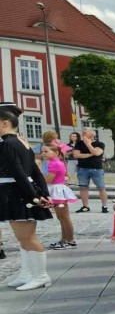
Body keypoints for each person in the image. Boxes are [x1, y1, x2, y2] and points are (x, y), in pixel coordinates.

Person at [0, 102, 53, 290]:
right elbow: (35, 172)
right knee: (23, 237)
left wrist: (35, 197)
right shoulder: (23, 142)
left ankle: (41, 275)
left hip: (17, 192)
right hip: (21, 191)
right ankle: (27, 273)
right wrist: (43, 193)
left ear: (5, 123)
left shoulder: (7, 143)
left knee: (27, 238)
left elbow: (19, 173)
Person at [41, 143, 77, 248]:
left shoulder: (54, 163)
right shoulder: (56, 162)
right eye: (42, 151)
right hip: (57, 189)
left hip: (57, 191)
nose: (43, 153)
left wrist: (39, 173)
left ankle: (70, 240)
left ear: (56, 152)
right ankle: (64, 239)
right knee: (61, 217)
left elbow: (48, 180)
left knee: (64, 217)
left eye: (46, 151)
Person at [72, 128, 108, 213]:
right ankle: (85, 206)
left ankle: (104, 206)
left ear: (91, 135)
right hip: (82, 169)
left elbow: (97, 153)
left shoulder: (100, 144)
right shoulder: (79, 143)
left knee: (101, 188)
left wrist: (88, 144)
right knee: (83, 188)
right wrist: (91, 154)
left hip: (96, 169)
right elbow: (76, 155)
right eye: (82, 132)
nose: (82, 134)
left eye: (85, 133)